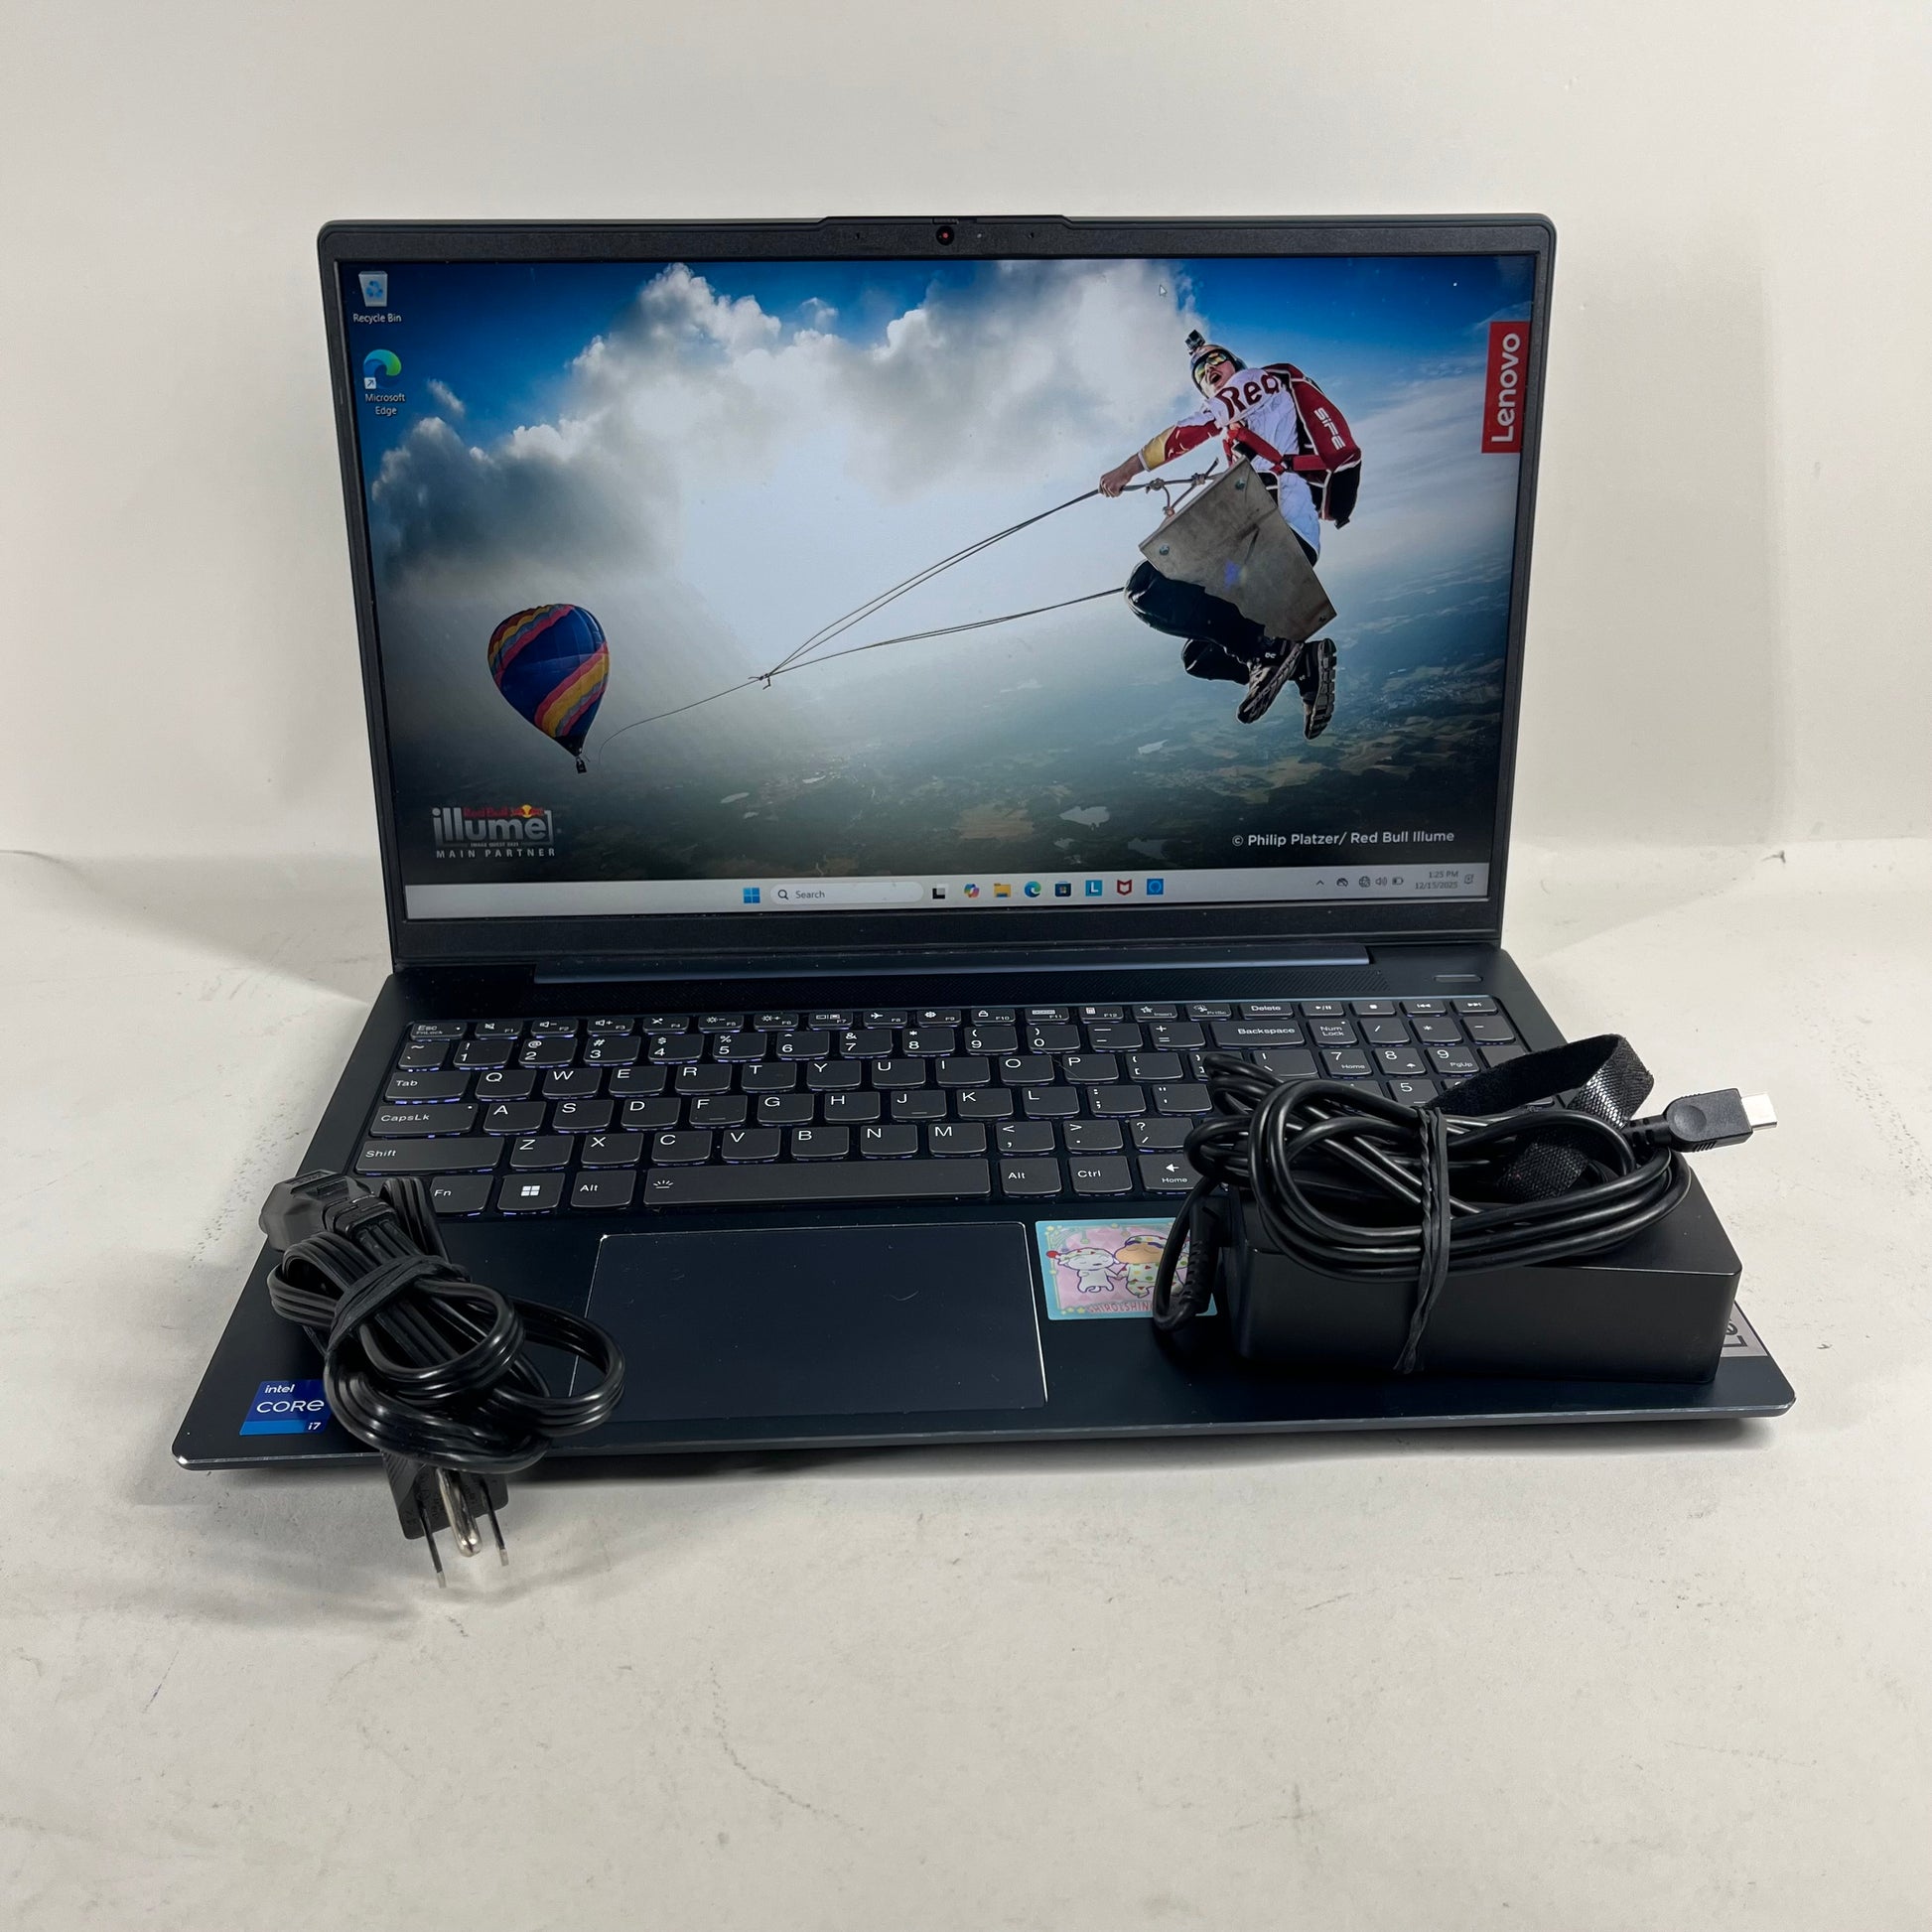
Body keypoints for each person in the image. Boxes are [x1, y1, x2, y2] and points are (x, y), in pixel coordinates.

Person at [1101, 334, 1341, 735]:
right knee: (1199, 658)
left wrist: (1127, 469)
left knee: (1145, 588)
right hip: (1265, 548)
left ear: (1236, 365)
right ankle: (1301, 664)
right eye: (1201, 372)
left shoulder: (1256, 382)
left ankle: (1266, 653)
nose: (1209, 370)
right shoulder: (1245, 431)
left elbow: (1194, 427)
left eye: (1216, 361)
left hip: (1274, 535)